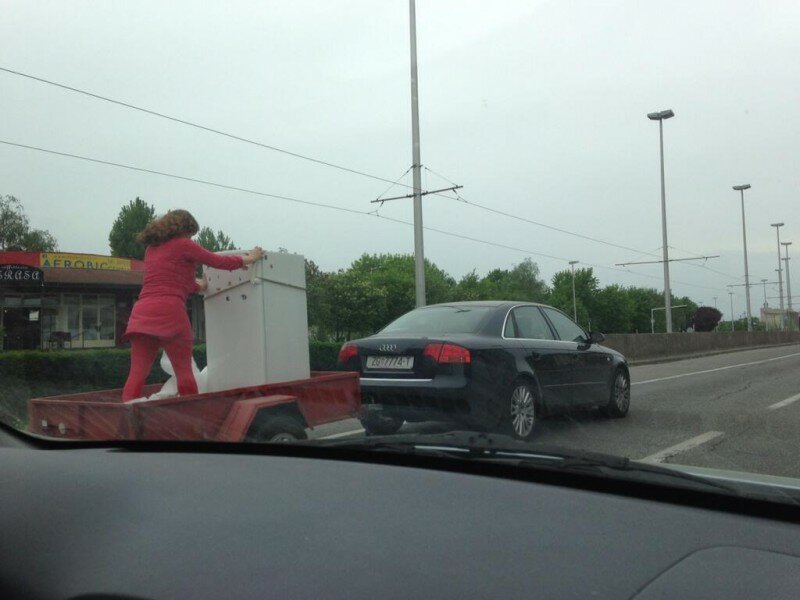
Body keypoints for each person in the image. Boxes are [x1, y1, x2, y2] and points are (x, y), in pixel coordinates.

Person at [121, 209, 263, 401]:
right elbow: (217, 261)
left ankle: (127, 418)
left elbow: (175, 281)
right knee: (184, 372)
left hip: (141, 313)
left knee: (137, 374)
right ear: (185, 229)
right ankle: (192, 414)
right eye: (191, 233)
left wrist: (201, 286)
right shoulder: (183, 244)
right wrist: (250, 258)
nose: (191, 237)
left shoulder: (151, 249)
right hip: (169, 312)